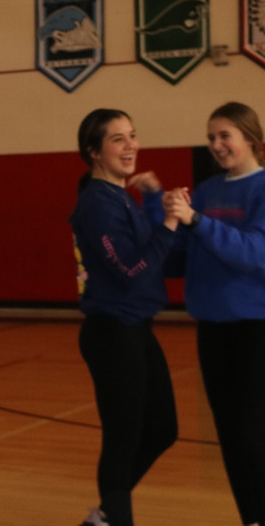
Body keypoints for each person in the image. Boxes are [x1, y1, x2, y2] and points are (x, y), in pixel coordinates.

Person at [70, 109, 179, 526]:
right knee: (123, 437)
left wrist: (155, 200)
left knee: (162, 429)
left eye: (132, 135)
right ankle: (114, 518)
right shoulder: (97, 204)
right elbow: (132, 271)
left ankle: (106, 513)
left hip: (136, 328)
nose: (130, 144)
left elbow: (154, 252)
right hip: (112, 332)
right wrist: (169, 220)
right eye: (118, 139)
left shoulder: (120, 198)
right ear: (94, 152)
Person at [163, 101, 265, 526]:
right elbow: (178, 259)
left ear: (251, 139)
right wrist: (160, 214)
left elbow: (255, 254)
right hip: (212, 329)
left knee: (251, 434)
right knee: (230, 436)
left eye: (225, 135)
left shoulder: (261, 188)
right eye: (210, 138)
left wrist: (197, 222)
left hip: (255, 328)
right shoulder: (205, 191)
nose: (217, 145)